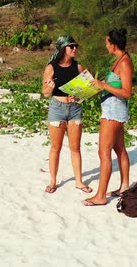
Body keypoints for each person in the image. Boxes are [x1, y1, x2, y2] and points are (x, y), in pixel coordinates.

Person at [83, 28, 133, 206]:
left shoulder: (124, 63)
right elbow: (111, 87)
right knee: (119, 150)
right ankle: (124, 186)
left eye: (106, 42)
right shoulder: (119, 60)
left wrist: (103, 85)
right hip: (113, 110)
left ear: (113, 44)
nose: (105, 46)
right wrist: (88, 91)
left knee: (103, 152)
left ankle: (100, 195)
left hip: (114, 113)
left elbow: (126, 92)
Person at [42, 35, 92, 194]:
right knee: (56, 147)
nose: (75, 49)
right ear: (63, 49)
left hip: (75, 108)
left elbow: (88, 88)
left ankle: (79, 181)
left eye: (76, 46)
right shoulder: (51, 67)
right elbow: (44, 92)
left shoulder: (78, 67)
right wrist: (50, 88)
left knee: (75, 148)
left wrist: (80, 95)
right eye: (72, 47)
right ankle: (52, 181)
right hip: (57, 107)